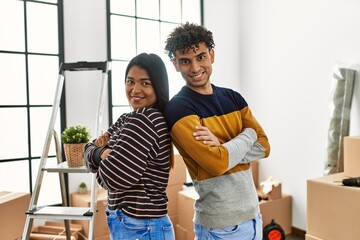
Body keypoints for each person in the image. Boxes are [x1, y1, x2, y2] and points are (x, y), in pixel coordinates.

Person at [164, 22, 271, 240]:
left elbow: (264, 146)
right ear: (175, 64)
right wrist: (247, 135)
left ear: (211, 55)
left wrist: (223, 147)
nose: (194, 68)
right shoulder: (179, 108)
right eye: (185, 61)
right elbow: (216, 164)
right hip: (219, 226)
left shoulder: (233, 97)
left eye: (200, 57)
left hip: (253, 217)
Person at [83, 53, 175, 240]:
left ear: (158, 86)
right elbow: (88, 150)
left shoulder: (145, 119)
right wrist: (102, 153)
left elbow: (113, 178)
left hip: (141, 227)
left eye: (145, 83)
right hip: (134, 225)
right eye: (130, 81)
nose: (135, 89)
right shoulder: (127, 119)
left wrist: (102, 156)